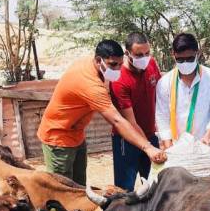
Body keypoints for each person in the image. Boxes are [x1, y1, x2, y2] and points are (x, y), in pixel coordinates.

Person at [37, 39, 167, 185]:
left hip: (77, 135)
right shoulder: (90, 85)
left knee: (79, 188)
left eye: (119, 64)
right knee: (61, 190)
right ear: (99, 60)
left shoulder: (90, 64)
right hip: (58, 137)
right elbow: (117, 120)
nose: (118, 69)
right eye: (113, 64)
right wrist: (148, 148)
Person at [109, 33, 162, 191]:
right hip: (127, 140)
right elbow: (130, 123)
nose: (144, 58)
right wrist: (149, 147)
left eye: (147, 53)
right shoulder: (120, 80)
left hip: (151, 134)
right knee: (125, 190)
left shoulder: (151, 64)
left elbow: (160, 97)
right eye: (139, 55)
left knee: (155, 185)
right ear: (127, 54)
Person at [156, 33, 210, 149]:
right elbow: (162, 116)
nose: (185, 63)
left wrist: (207, 137)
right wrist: (169, 149)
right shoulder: (164, 82)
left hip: (203, 145)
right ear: (173, 55)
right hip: (174, 146)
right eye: (180, 59)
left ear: (197, 53)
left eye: (189, 59)